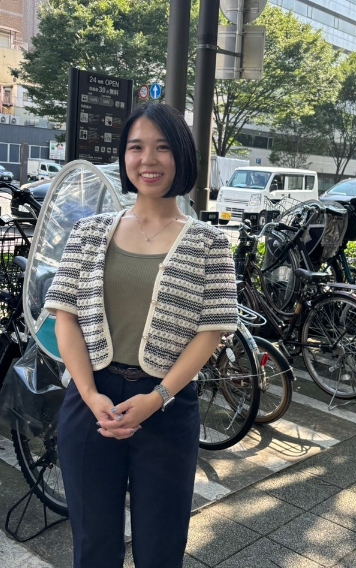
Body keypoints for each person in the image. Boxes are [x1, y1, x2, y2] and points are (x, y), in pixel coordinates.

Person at [44, 103, 238, 568]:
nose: (148, 160)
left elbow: (210, 331)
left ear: (182, 157)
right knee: (93, 544)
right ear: (124, 157)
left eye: (162, 147)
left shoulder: (210, 244)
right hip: (92, 404)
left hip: (166, 406)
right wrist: (89, 395)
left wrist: (158, 397)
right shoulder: (88, 233)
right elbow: (65, 317)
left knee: (161, 547)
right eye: (136, 148)